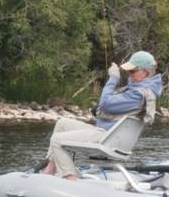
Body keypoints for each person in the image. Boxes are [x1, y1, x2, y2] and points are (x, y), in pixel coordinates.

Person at [42, 50, 162, 180]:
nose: (129, 74)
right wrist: (99, 110)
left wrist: (113, 79)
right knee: (62, 123)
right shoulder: (136, 90)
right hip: (106, 133)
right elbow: (112, 107)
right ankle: (50, 169)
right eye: (128, 71)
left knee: (56, 140)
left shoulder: (138, 94)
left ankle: (70, 178)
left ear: (144, 72)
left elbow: (106, 103)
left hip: (106, 137)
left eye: (132, 71)